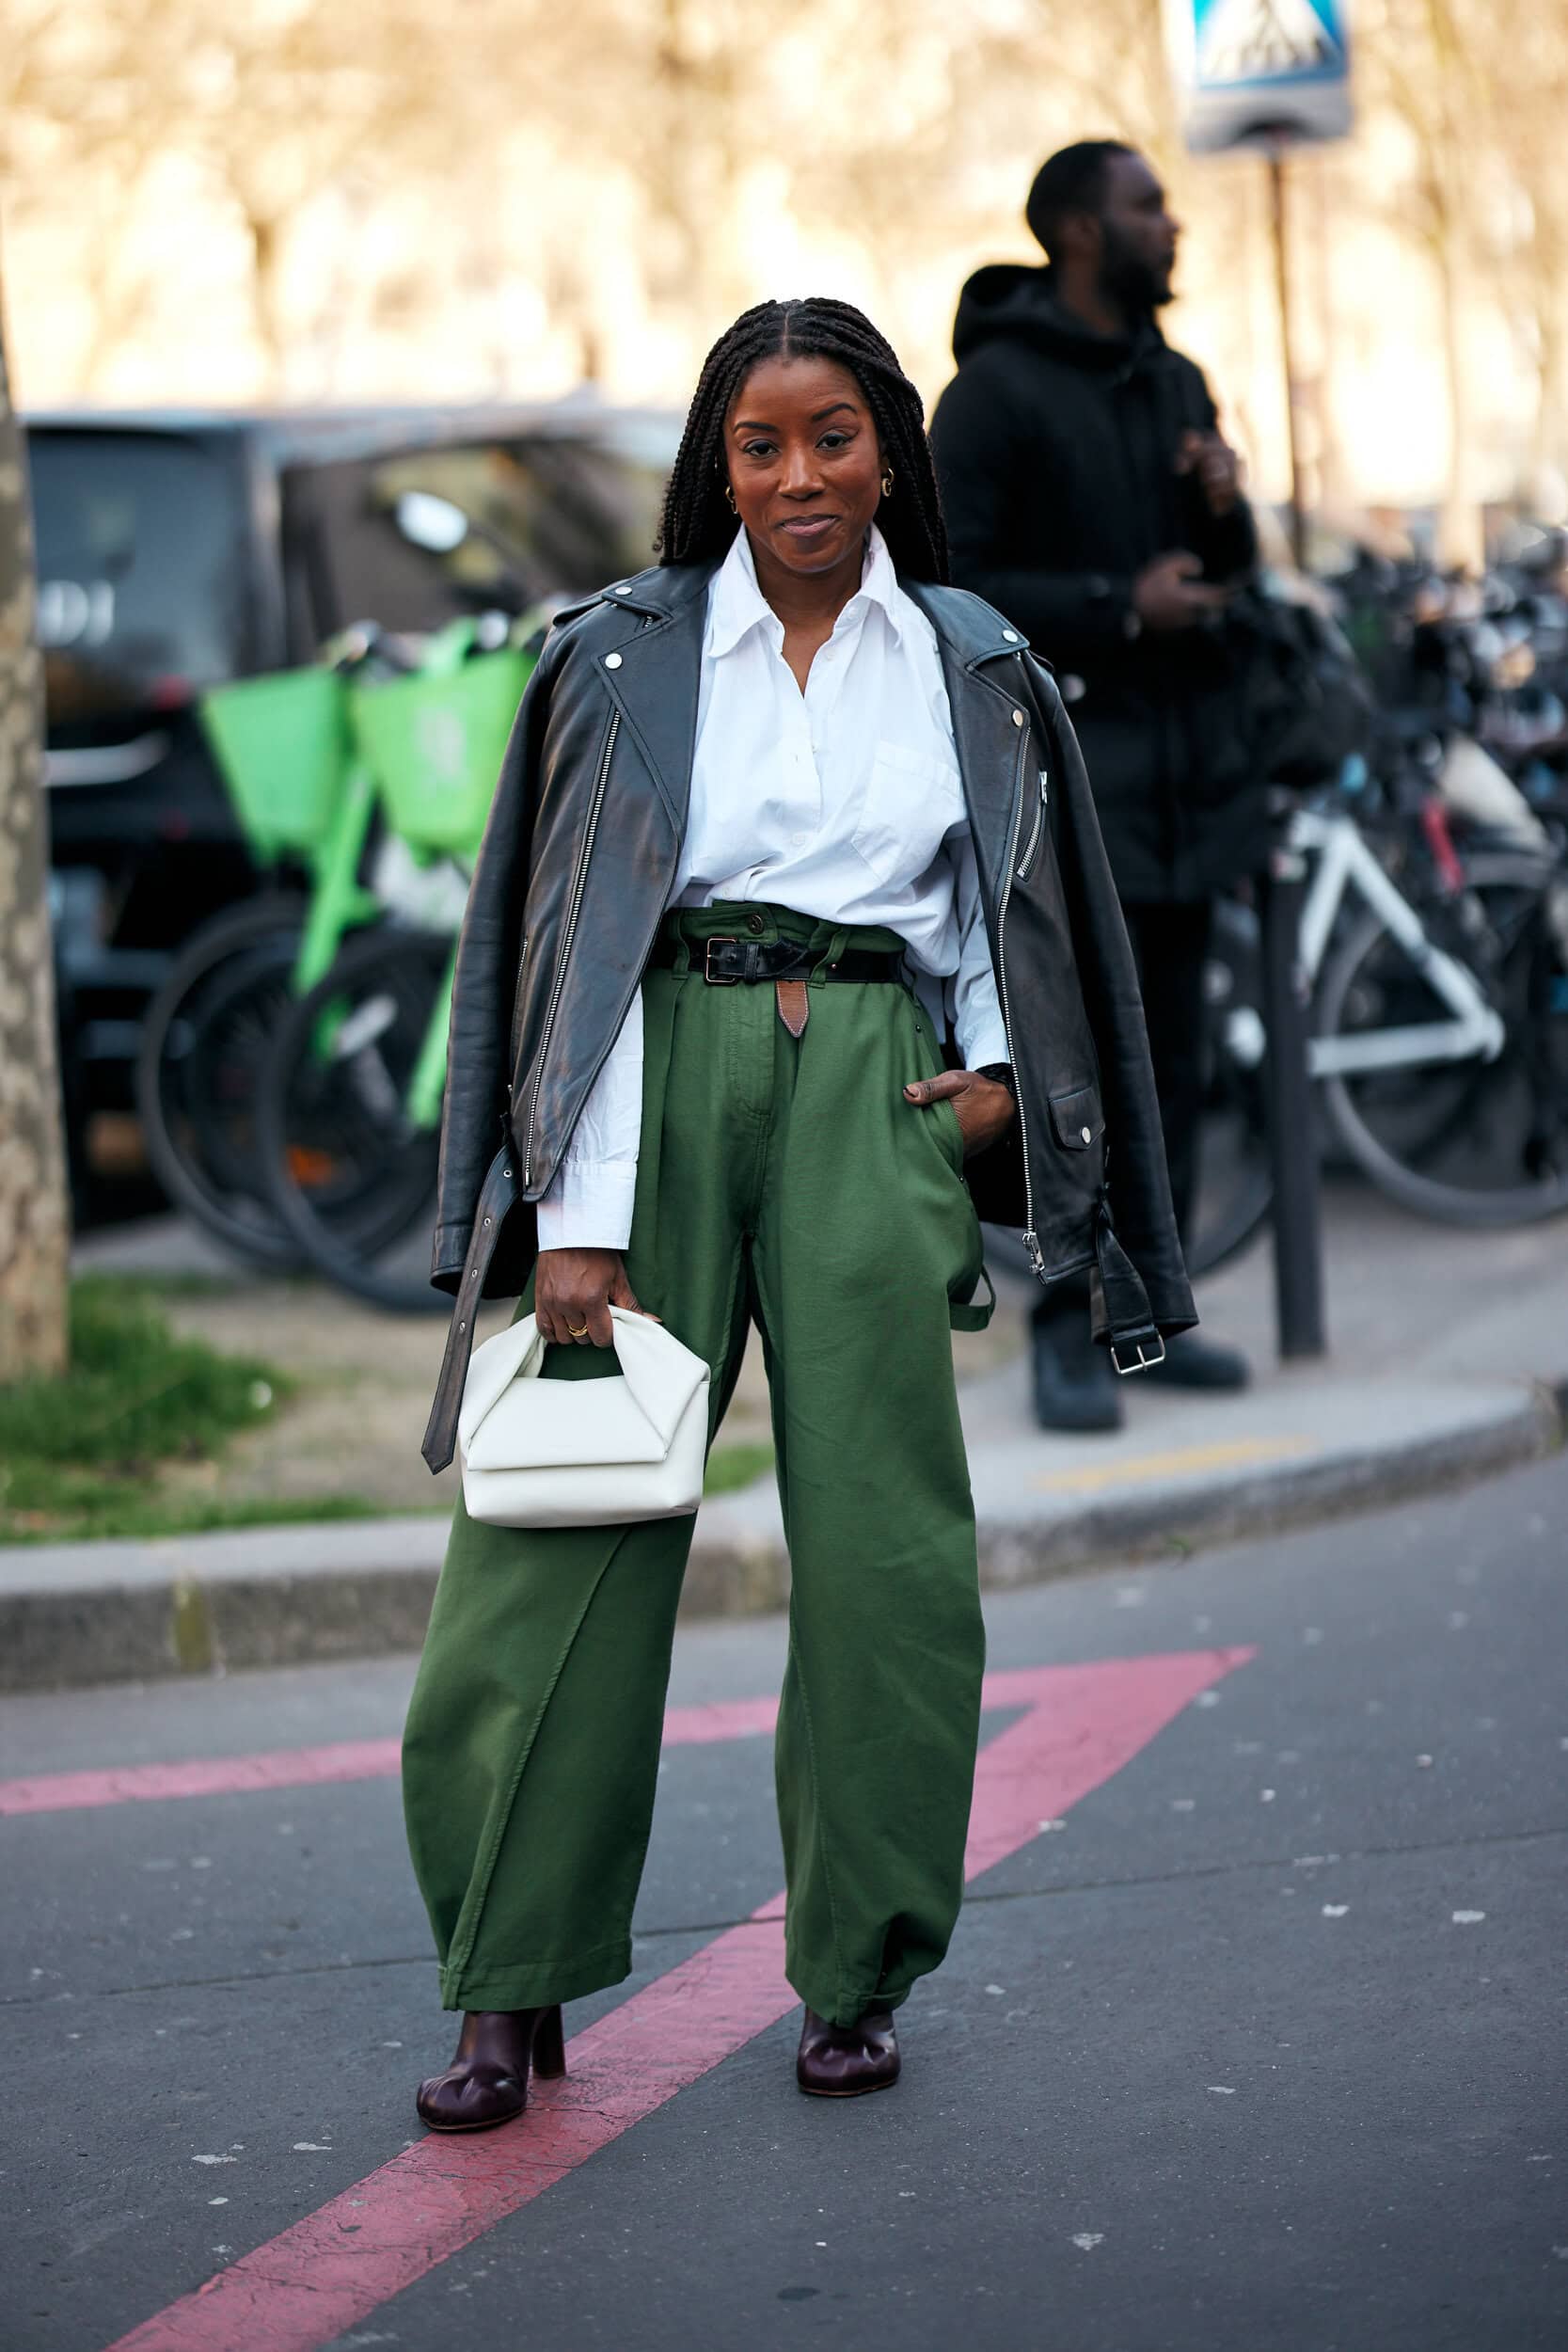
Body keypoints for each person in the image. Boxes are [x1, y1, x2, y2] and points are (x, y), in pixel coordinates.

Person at [404, 295, 1194, 2128]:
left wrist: (992, 1067)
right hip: (650, 1088)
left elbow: (1010, 889)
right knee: (558, 1549)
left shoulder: (972, 658)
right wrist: (574, 1215)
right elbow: (573, 938)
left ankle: (859, 1966)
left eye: (831, 435)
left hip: (870, 1091)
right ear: (720, 464)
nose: (799, 478)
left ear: (888, 447)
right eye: (761, 445)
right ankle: (505, 1983)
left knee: (885, 1552)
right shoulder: (623, 654)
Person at [932, 141, 1260, 1433]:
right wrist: (1118, 610)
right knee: (1070, 1076)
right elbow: (954, 586)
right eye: (1145, 206)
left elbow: (1224, 568)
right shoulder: (996, 394)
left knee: (1169, 1063)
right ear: (1078, 229)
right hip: (1064, 786)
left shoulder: (1173, 377)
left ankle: (1148, 1313)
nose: (1170, 225)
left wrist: (1228, 513)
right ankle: (1064, 1333)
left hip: (1183, 782)